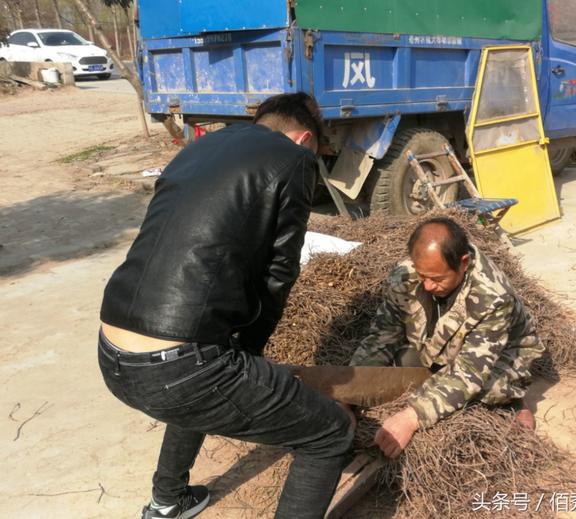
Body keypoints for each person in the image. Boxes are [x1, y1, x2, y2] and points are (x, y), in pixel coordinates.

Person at [98, 93, 354, 519]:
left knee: (203, 382)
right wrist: (250, 351)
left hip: (114, 352)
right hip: (177, 368)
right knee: (331, 432)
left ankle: (167, 501)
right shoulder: (294, 159)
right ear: (304, 137)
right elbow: (279, 272)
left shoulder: (201, 147)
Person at [350, 217, 544, 459]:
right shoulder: (407, 275)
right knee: (400, 365)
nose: (428, 286)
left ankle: (514, 401)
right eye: (423, 276)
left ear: (463, 263)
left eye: (438, 279)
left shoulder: (492, 297)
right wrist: (348, 396)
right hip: (441, 347)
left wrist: (411, 417)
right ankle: (438, 377)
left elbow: (470, 373)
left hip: (500, 355)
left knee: (488, 390)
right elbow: (381, 336)